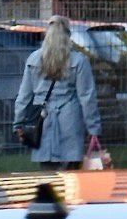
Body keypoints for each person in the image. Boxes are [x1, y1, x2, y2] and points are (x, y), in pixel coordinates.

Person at [16, 21, 99, 166]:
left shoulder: (33, 59)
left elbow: (24, 96)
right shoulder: (78, 61)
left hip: (42, 120)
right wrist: (93, 128)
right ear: (68, 36)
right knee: (71, 167)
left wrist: (18, 122)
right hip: (70, 118)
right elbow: (87, 98)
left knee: (47, 168)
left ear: (47, 35)